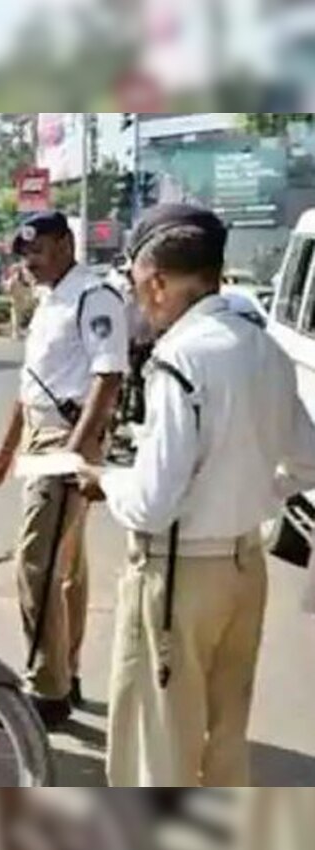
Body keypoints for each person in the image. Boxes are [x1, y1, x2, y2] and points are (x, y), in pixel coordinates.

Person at [76, 204, 315, 787]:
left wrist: (103, 478)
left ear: (156, 283)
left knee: (157, 753)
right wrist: (257, 489)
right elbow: (307, 459)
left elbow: (154, 501)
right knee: (225, 742)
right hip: (243, 570)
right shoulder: (266, 350)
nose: (137, 301)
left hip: (178, 577)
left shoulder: (180, 358)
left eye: (136, 286)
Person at [0, 210, 128, 730]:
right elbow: (32, 384)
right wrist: (6, 447)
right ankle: (65, 672)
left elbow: (107, 377)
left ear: (66, 244)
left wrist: (74, 450)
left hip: (68, 438)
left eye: (38, 252)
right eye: (25, 255)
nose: (30, 263)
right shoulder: (50, 300)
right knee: (66, 567)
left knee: (35, 564)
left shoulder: (94, 296)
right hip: (46, 435)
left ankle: (46, 690)